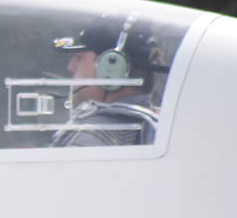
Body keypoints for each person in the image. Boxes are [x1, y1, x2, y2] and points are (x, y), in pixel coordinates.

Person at [49, 14, 165, 147]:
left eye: (79, 58)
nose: (71, 67)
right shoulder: (160, 124)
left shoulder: (95, 133)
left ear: (112, 67)